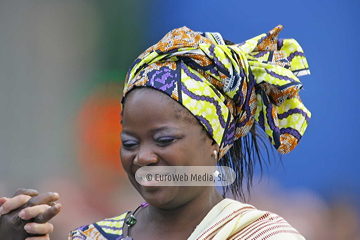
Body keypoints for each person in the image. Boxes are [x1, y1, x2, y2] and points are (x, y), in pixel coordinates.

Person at [2, 25, 311, 239]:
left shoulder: (261, 236)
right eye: (130, 142)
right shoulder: (92, 236)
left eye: (164, 139)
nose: (143, 157)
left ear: (216, 141)